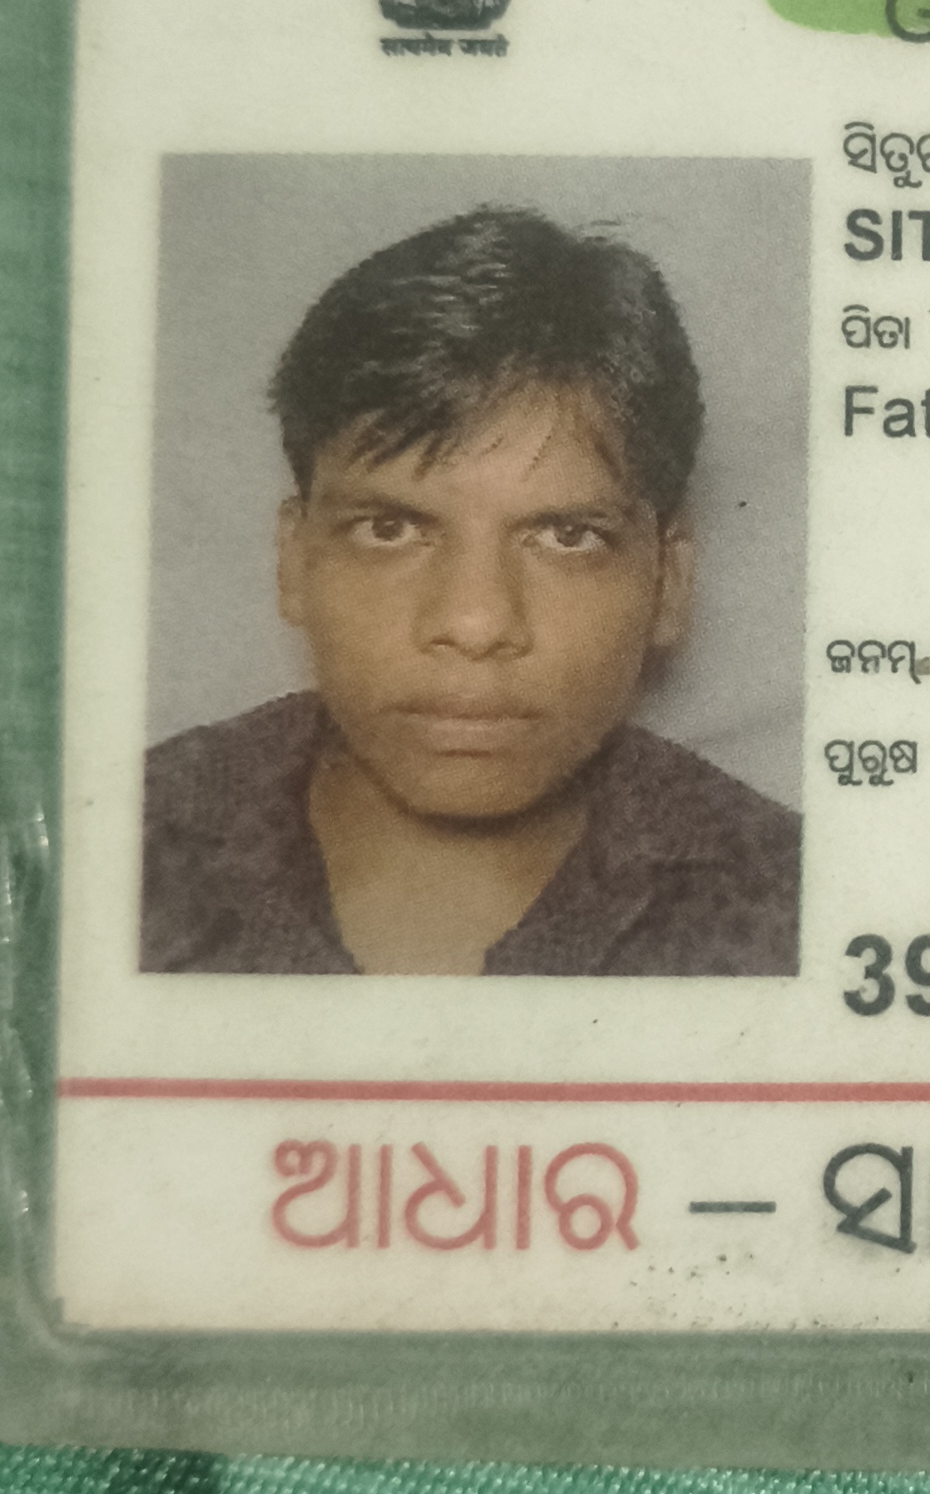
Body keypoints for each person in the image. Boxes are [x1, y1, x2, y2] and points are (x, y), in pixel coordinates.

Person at [142, 206, 799, 976]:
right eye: (390, 529)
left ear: (669, 581)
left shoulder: (796, 913)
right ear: (294, 560)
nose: (475, 622)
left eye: (567, 536)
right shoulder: (119, 845)